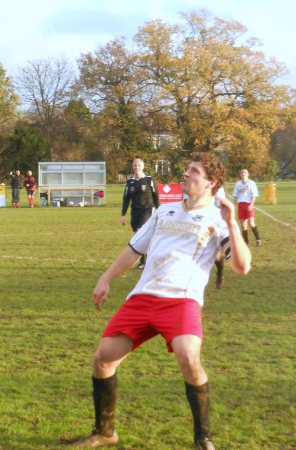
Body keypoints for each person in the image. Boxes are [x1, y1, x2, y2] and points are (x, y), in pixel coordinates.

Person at [71, 153, 251, 449]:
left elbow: (242, 267)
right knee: (102, 359)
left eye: (193, 171)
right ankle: (105, 432)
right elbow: (133, 250)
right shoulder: (164, 211)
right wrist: (105, 278)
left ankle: (202, 438)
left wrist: (232, 224)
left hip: (181, 301)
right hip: (142, 298)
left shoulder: (217, 220)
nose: (186, 174)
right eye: (187, 169)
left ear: (211, 182)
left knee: (189, 358)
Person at [120, 158, 160, 269]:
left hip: (147, 210)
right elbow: (126, 199)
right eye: (134, 165)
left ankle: (143, 262)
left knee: (140, 233)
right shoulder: (130, 182)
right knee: (138, 234)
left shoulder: (149, 180)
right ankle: (147, 259)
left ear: (143, 167)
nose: (136, 167)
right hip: (135, 212)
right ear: (132, 167)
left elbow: (156, 196)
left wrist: (160, 211)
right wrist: (123, 214)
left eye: (138, 165)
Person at [232, 168, 261, 246]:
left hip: (249, 205)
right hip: (241, 205)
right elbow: (235, 196)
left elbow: (254, 195)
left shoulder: (252, 183)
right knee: (243, 225)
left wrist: (251, 204)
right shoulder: (238, 184)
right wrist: (234, 206)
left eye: (244, 172)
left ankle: (258, 239)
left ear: (248, 174)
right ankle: (246, 243)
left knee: (251, 223)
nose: (243, 174)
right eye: (241, 173)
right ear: (240, 174)